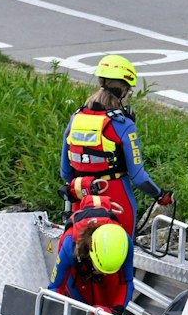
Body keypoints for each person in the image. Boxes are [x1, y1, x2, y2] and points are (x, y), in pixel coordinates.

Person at [59, 54, 169, 234]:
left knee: (80, 251)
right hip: (117, 199)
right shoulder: (124, 125)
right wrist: (160, 195)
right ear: (123, 92)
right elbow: (138, 177)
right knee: (122, 253)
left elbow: (65, 171)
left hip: (82, 199)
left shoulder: (76, 118)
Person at [50, 205, 135, 315]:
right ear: (91, 250)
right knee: (80, 313)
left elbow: (126, 282)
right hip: (77, 277)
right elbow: (55, 287)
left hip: (109, 282)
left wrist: (116, 310)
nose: (101, 273)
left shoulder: (125, 243)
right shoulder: (70, 245)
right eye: (99, 268)